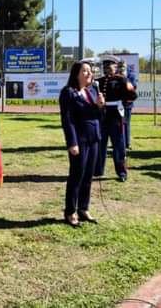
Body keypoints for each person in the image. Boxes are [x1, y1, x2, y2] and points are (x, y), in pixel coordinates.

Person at [60, 60, 105, 227]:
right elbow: (68, 120)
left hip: (94, 138)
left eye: (90, 71)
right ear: (76, 74)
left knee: (88, 176)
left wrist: (101, 106)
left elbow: (99, 116)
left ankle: (83, 208)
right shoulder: (68, 93)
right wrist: (72, 142)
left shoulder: (92, 91)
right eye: (85, 71)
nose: (89, 74)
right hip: (79, 140)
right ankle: (70, 211)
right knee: (77, 175)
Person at [95, 55, 136, 182]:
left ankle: (121, 172)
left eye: (110, 65)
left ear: (115, 66)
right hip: (102, 115)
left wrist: (124, 105)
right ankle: (98, 170)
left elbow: (132, 95)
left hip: (116, 115)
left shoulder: (122, 80)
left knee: (118, 145)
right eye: (105, 66)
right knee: (100, 144)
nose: (107, 68)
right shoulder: (99, 81)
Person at [118, 60, 137, 149]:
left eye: (123, 66)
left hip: (127, 103)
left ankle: (127, 143)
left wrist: (125, 79)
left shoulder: (131, 75)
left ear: (126, 66)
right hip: (117, 103)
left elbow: (133, 87)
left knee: (126, 123)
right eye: (120, 66)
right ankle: (120, 142)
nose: (121, 67)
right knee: (119, 124)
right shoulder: (115, 75)